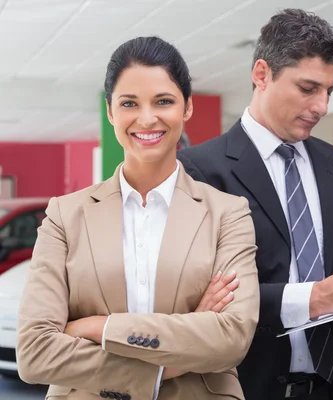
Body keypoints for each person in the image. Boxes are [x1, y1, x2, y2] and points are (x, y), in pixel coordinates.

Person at [178, 8, 333, 400]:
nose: (322, 106)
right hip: (246, 386)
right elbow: (199, 300)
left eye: (329, 91)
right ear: (262, 74)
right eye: (308, 89)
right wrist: (317, 298)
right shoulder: (197, 171)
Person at [16, 36, 259, 400]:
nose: (147, 118)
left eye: (164, 101)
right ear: (111, 112)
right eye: (129, 103)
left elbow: (231, 339)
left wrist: (99, 327)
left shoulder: (227, 213)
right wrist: (188, 337)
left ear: (187, 108)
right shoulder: (65, 215)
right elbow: (35, 353)